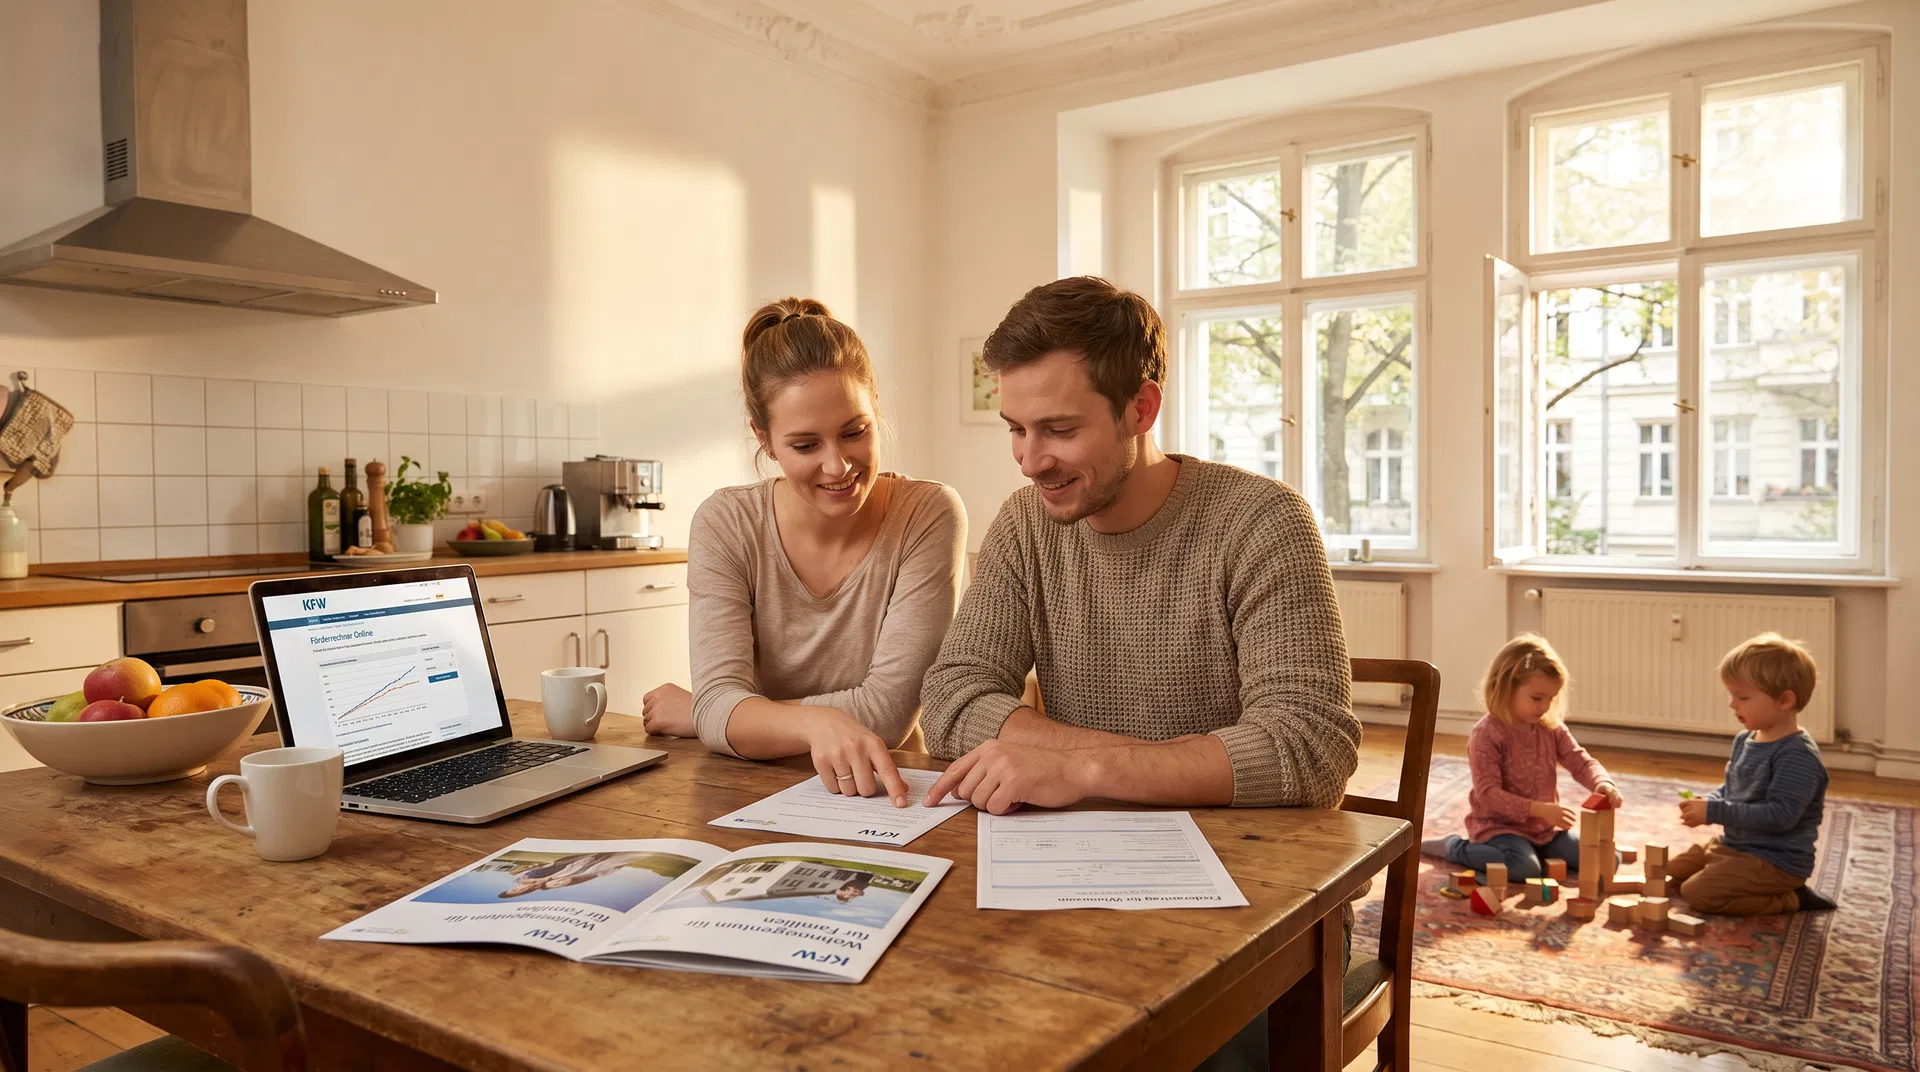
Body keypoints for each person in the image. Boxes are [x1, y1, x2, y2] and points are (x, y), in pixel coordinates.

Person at [918, 276, 1359, 813]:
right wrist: (1145, 766)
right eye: (1016, 429)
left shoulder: (1261, 521)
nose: (1031, 461)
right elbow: (951, 701)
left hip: (1250, 866)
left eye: (1059, 430)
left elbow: (1310, 748)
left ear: (1141, 410)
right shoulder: (1023, 525)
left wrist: (1082, 768)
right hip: (1080, 855)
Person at [641, 298, 967, 808]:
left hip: (888, 795)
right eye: (805, 445)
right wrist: (788, 719)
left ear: (876, 409)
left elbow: (887, 712)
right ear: (765, 440)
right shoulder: (726, 523)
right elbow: (720, 705)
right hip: (748, 792)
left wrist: (720, 716)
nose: (837, 466)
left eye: (854, 432)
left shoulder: (927, 514)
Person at [1420, 635, 1623, 881]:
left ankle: (1537, 857)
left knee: (1609, 858)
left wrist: (1603, 783)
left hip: (1544, 830)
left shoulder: (1551, 728)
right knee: (1524, 868)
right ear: (1506, 688)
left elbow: (1580, 761)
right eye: (1537, 698)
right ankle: (1453, 846)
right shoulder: (1487, 734)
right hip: (1499, 829)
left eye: (1551, 698)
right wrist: (1538, 809)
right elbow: (1488, 794)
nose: (1545, 706)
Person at [1666, 633, 1835, 915]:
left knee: (1697, 893)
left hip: (1775, 860)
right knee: (1671, 870)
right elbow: (1733, 788)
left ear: (1784, 700)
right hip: (1736, 846)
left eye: (1742, 697)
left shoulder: (1798, 757)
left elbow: (1779, 817)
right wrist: (1709, 801)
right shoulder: (1745, 739)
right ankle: (1729, 869)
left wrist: (1715, 812)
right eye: (1732, 695)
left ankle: (1792, 898)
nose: (1733, 704)